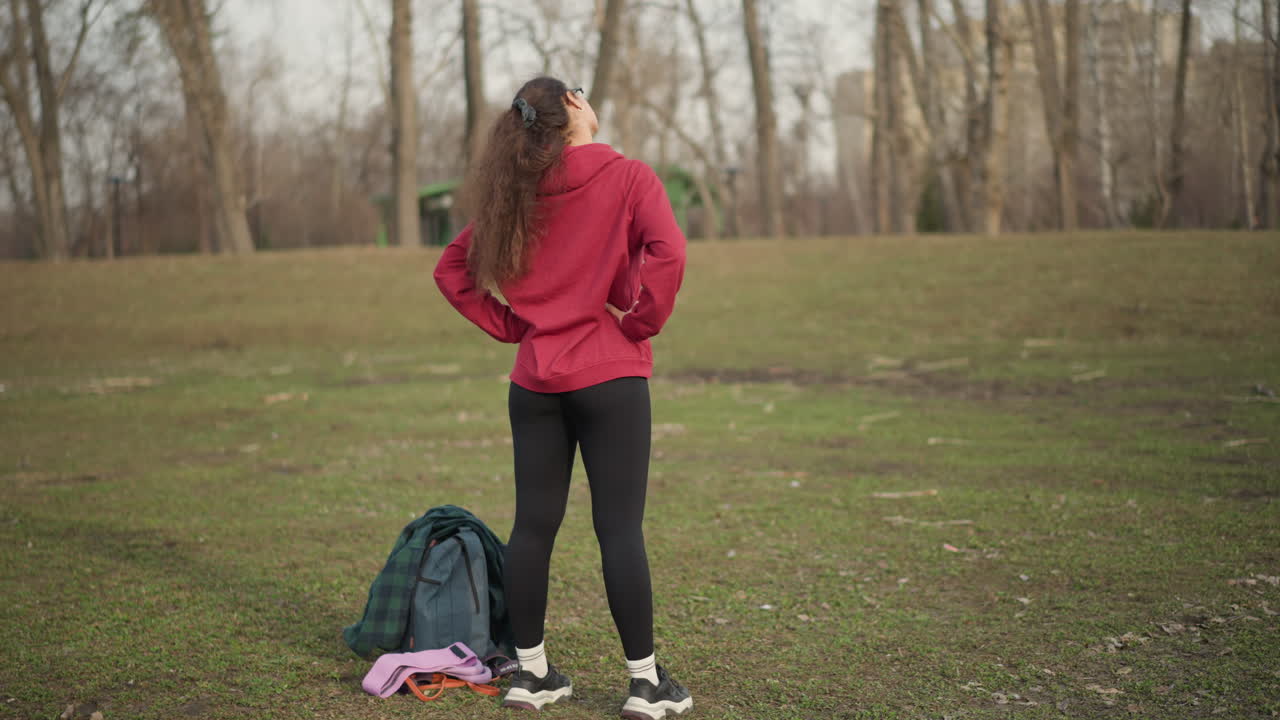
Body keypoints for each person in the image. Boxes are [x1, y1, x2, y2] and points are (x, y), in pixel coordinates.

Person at [433, 76, 692, 719]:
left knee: (533, 526)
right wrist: (639, 322)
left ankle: (533, 675)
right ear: (575, 107)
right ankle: (644, 684)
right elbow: (671, 250)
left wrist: (513, 326)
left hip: (535, 380)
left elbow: (452, 270)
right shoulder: (630, 177)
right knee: (619, 528)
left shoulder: (512, 195)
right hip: (611, 374)